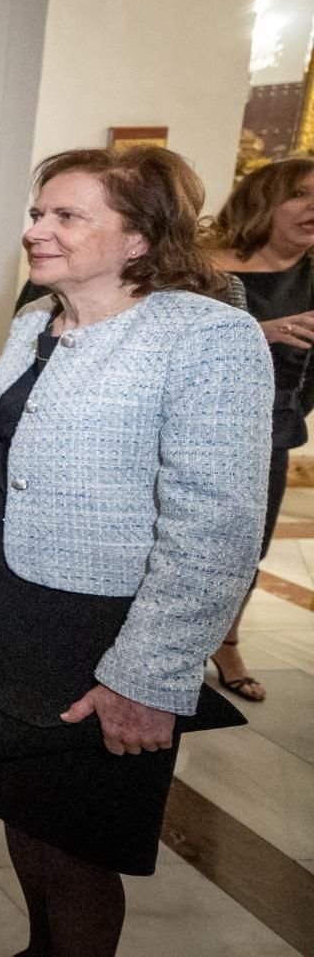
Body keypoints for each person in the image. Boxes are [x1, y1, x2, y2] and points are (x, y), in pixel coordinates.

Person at [0, 146, 272, 957]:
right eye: (37, 212)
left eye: (66, 216)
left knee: (77, 840)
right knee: (17, 801)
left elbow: (217, 528)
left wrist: (148, 675)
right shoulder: (32, 326)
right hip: (4, 605)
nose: (36, 230)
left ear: (139, 239)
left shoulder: (207, 337)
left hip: (96, 629)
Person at [201, 156, 314, 702]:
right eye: (300, 194)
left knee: (245, 548)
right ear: (262, 202)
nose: (313, 207)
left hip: (272, 429)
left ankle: (226, 641)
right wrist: (255, 332)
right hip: (197, 426)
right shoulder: (202, 268)